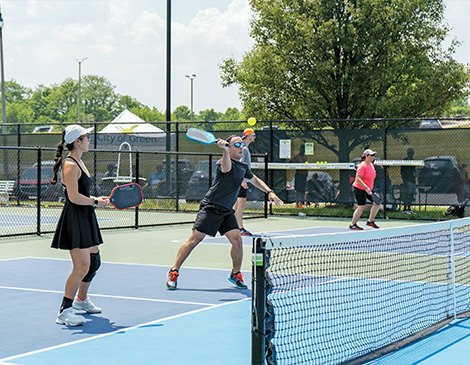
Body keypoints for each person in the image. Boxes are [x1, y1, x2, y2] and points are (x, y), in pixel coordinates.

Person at [166, 135, 283, 290]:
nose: (242, 147)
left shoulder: (242, 168)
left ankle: (235, 274)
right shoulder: (223, 162)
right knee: (194, 240)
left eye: (242, 144)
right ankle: (174, 271)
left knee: (237, 241)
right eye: (237, 145)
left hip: (227, 211)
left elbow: (255, 180)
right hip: (211, 208)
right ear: (229, 148)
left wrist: (270, 192)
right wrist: (224, 151)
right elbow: (226, 167)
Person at [51, 125, 109, 326]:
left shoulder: (80, 162)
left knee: (94, 262)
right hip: (75, 218)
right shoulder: (70, 165)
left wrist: (96, 199)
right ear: (78, 141)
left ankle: (81, 301)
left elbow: (83, 194)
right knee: (81, 266)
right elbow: (73, 197)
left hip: (86, 216)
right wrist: (95, 202)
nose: (89, 140)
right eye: (87, 137)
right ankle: (64, 311)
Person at [349, 149, 381, 230]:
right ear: (366, 156)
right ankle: (353, 224)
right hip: (360, 188)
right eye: (371, 155)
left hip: (369, 189)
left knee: (377, 203)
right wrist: (366, 187)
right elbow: (358, 178)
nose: (373, 157)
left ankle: (370, 221)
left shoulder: (371, 164)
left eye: (374, 155)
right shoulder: (362, 166)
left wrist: (369, 188)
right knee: (361, 206)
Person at [233, 128, 256, 236]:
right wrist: (242, 180)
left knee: (236, 204)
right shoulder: (244, 149)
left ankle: (230, 225)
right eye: (253, 135)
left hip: (241, 179)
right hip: (240, 180)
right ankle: (240, 228)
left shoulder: (245, 148)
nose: (255, 137)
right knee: (241, 203)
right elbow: (239, 165)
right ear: (248, 136)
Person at [400, 148, 416, 214]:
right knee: (406, 194)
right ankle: (405, 208)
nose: (411, 154)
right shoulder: (405, 161)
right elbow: (402, 171)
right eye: (409, 153)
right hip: (407, 180)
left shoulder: (413, 161)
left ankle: (409, 208)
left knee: (411, 195)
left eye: (412, 153)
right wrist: (404, 180)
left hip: (412, 180)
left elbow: (414, 171)